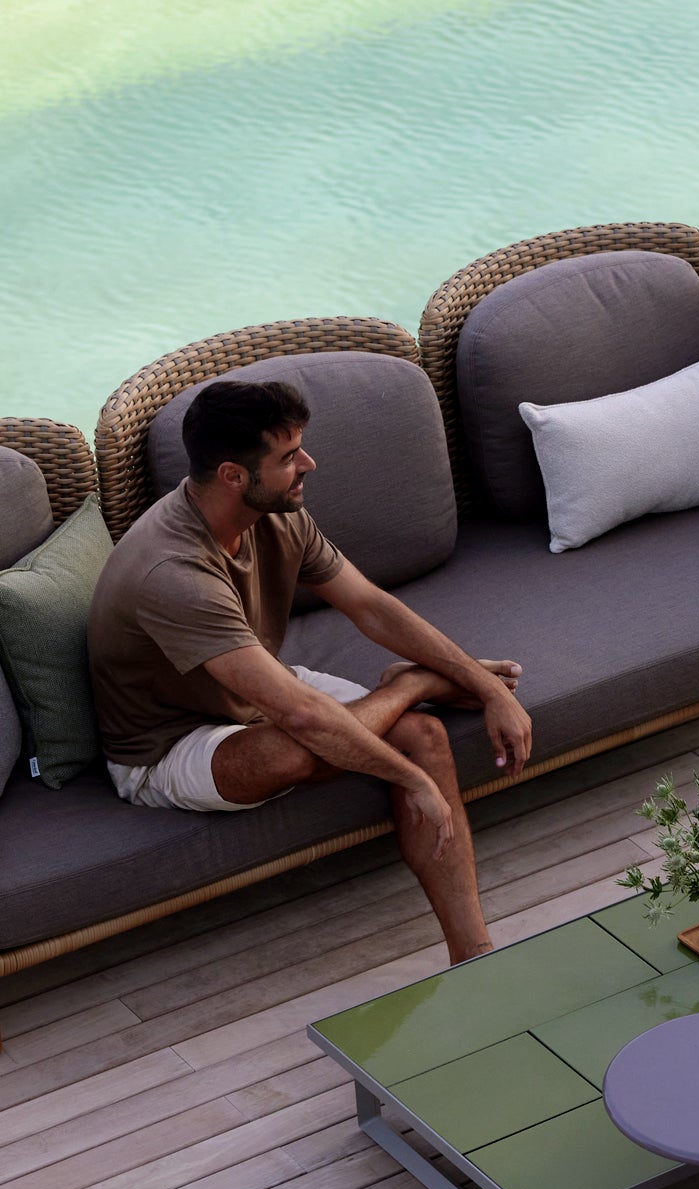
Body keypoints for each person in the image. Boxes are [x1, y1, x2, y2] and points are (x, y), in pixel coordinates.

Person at [88, 379, 533, 965]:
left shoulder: (276, 513)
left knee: (423, 733)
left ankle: (474, 956)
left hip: (260, 686)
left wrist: (488, 690)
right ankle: (408, 685)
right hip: (168, 743)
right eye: (288, 456)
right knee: (292, 752)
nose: (308, 464)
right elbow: (300, 716)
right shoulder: (173, 571)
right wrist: (411, 776)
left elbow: (371, 607)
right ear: (233, 476)